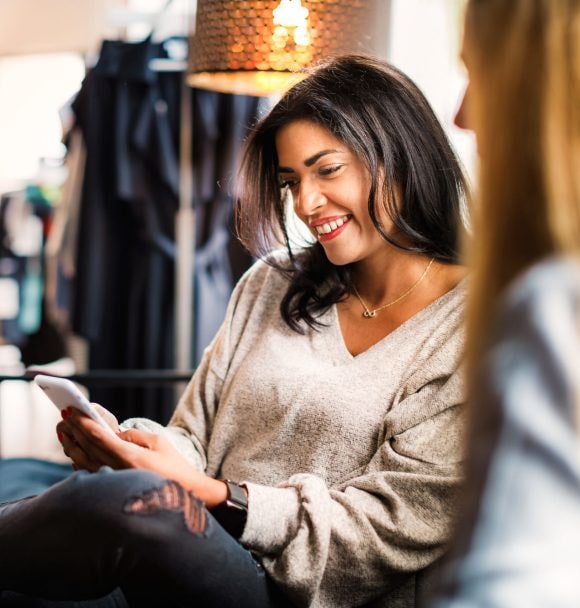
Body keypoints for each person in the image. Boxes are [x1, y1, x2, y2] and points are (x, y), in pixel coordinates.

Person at [0, 55, 468, 608]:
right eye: (292, 180)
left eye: (327, 170)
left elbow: (379, 534)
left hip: (292, 593)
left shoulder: (473, 328)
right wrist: (133, 447)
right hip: (190, 543)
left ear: (400, 155)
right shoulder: (273, 281)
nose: (306, 204)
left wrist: (217, 498)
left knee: (127, 503)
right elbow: (192, 437)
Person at [429, 0, 580, 606]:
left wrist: (228, 497)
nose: (462, 117)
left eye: (477, 73)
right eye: (289, 182)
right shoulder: (265, 289)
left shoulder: (552, 301)